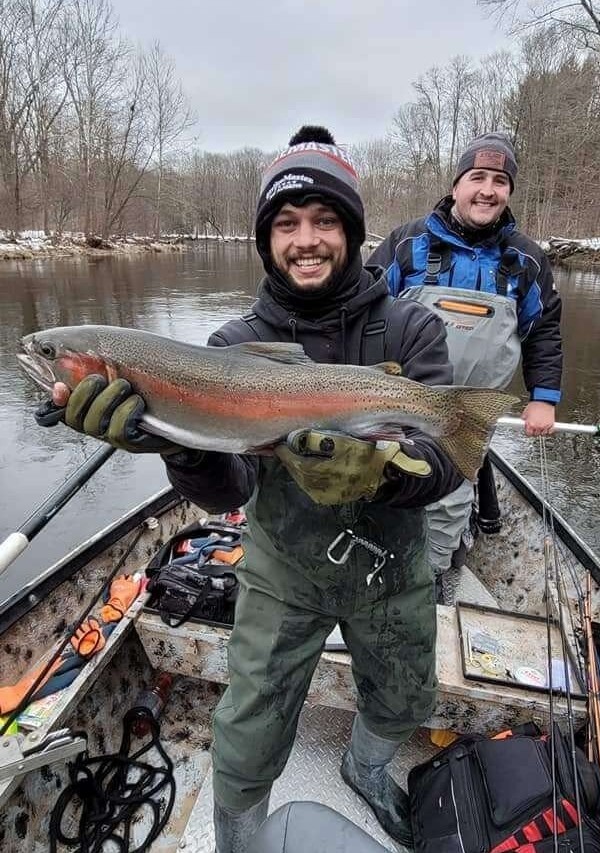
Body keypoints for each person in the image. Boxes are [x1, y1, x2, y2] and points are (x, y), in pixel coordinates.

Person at [38, 126, 464, 852]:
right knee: (244, 736)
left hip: (392, 569)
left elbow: (450, 454)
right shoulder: (231, 346)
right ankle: (238, 837)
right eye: (287, 223)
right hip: (280, 573)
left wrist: (386, 471)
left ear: (352, 233)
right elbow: (222, 488)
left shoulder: (411, 330)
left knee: (402, 701)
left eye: (325, 220)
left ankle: (365, 769)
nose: (306, 239)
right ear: (266, 240)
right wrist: (172, 438)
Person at [368, 132, 563, 598]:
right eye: (477, 177)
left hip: (470, 412)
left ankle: (433, 574)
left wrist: (544, 399)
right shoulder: (405, 243)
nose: (488, 190)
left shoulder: (527, 261)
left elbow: (546, 333)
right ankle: (375, 558)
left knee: (452, 493)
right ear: (456, 185)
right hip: (401, 403)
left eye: (500, 180)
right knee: (382, 477)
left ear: (509, 191)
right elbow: (363, 310)